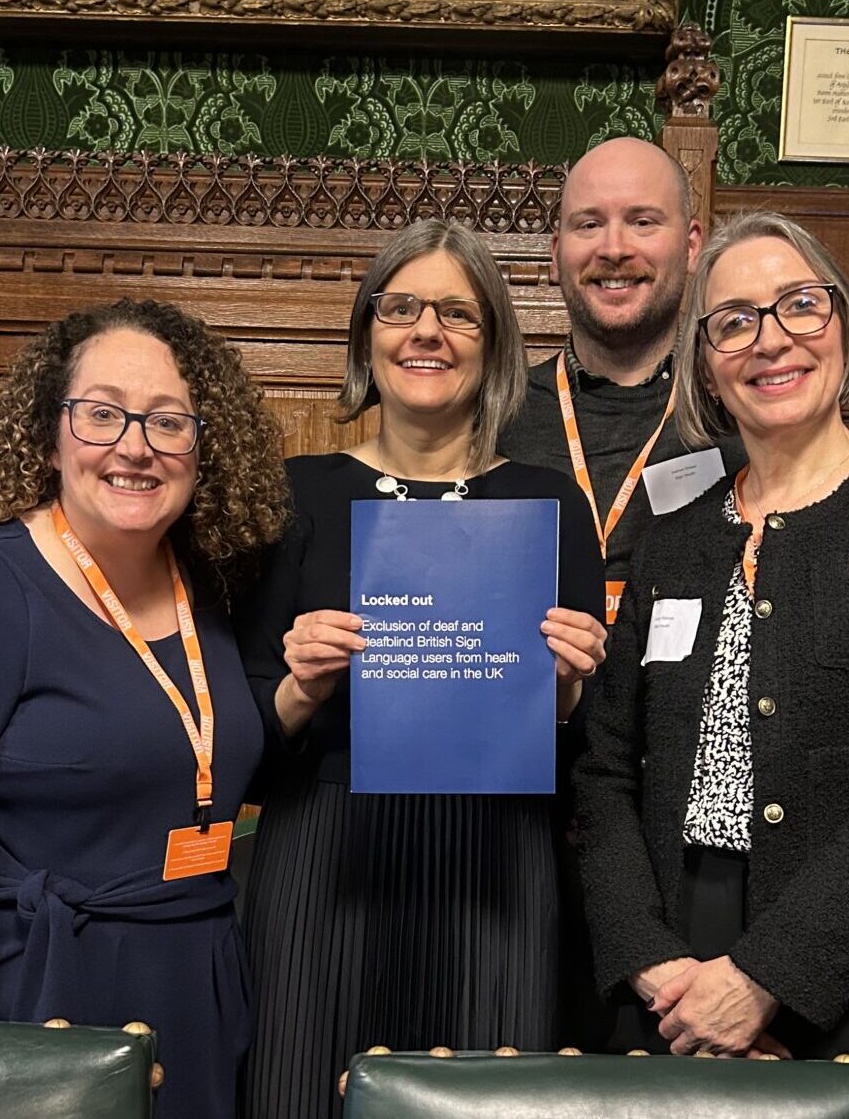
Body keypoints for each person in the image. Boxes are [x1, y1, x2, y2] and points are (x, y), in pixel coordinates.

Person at [573, 210, 849, 1118]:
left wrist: (768, 974)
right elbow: (606, 769)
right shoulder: (673, 536)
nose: (769, 339)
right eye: (733, 320)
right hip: (671, 964)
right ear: (706, 363)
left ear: (843, 325)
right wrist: (652, 962)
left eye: (798, 306)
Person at [0, 298, 290, 1119]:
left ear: (205, 447)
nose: (134, 444)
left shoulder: (209, 584)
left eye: (167, 421)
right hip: (22, 991)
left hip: (190, 984)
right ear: (49, 433)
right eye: (101, 414)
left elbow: (206, 755)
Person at [238, 219, 607, 1119]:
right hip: (325, 853)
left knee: (480, 1101)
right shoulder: (297, 495)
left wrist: (562, 697)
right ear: (368, 333)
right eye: (400, 307)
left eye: (457, 313)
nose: (426, 331)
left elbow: (598, 750)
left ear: (493, 345)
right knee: (299, 1092)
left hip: (495, 859)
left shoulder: (549, 503)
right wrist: (296, 687)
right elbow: (237, 733)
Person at [498, 134, 746, 1051]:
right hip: (508, 837)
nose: (614, 247)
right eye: (587, 223)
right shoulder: (492, 418)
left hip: (674, 854)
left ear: (691, 241)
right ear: (555, 249)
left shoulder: (747, 421)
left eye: (642, 220)